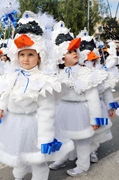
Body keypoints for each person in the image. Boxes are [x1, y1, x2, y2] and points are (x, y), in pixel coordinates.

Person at [0, 11, 74, 180]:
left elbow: (47, 111)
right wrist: (1, 108)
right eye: (22, 54)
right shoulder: (12, 76)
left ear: (39, 56)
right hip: (14, 123)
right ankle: (19, 177)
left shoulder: (44, 81)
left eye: (30, 54)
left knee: (37, 161)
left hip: (34, 125)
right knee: (18, 157)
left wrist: (45, 138)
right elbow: (5, 95)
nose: (25, 59)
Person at [48, 21, 106, 177]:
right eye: (70, 51)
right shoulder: (57, 74)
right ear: (60, 57)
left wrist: (95, 119)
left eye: (76, 50)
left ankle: (82, 164)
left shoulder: (85, 72)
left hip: (80, 110)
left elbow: (93, 97)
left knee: (82, 140)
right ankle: (61, 158)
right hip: (62, 109)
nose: (75, 52)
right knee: (62, 137)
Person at [77, 29, 119, 163]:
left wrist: (110, 107)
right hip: (81, 109)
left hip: (99, 107)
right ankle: (81, 153)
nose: (90, 64)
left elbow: (107, 91)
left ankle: (93, 150)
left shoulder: (101, 71)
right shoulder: (77, 71)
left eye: (93, 61)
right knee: (83, 132)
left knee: (97, 132)